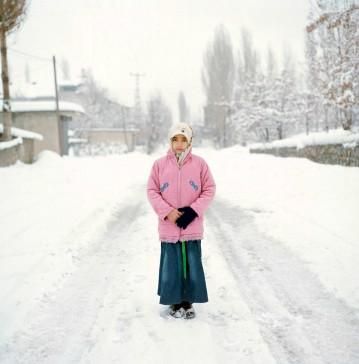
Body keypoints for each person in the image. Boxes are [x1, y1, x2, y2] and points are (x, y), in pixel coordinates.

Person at [147, 122, 216, 319]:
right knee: (172, 266)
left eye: (183, 139)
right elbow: (152, 191)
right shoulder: (159, 165)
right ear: (170, 141)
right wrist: (167, 211)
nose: (179, 143)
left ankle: (188, 301)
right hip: (169, 227)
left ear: (190, 141)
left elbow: (209, 189)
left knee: (190, 265)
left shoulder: (200, 164)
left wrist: (193, 211)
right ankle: (175, 301)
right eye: (175, 139)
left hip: (191, 226)